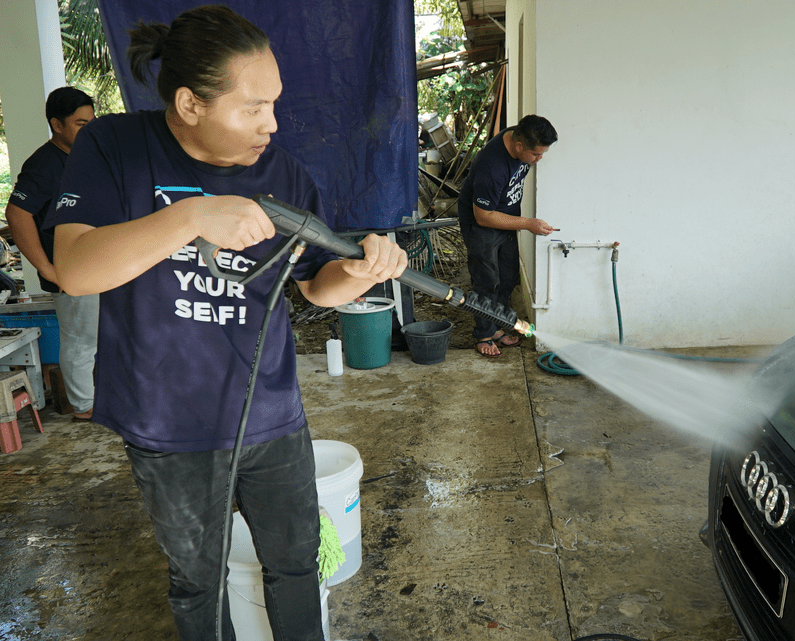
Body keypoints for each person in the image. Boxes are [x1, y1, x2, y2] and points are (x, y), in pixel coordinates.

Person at [45, 6, 407, 640]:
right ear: (189, 104)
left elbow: (316, 288)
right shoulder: (115, 147)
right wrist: (191, 218)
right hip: (167, 424)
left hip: (271, 414)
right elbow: (74, 269)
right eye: (253, 107)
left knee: (296, 565)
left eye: (274, 104)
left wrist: (362, 272)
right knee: (198, 581)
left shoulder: (285, 174)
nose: (271, 123)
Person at [6, 87, 98, 421]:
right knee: (81, 338)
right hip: (69, 267)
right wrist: (45, 267)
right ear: (56, 125)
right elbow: (16, 213)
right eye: (80, 123)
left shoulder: (85, 154)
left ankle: (99, 397)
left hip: (98, 261)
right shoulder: (43, 165)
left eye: (91, 122)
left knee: (101, 334)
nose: (88, 129)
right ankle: (84, 406)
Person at [457, 115, 559, 358]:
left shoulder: (520, 134)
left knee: (507, 275)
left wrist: (520, 223)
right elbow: (483, 216)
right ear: (519, 147)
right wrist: (527, 223)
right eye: (536, 155)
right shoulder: (491, 166)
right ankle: (483, 334)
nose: (539, 159)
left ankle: (498, 325)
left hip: (505, 219)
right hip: (482, 224)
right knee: (487, 279)